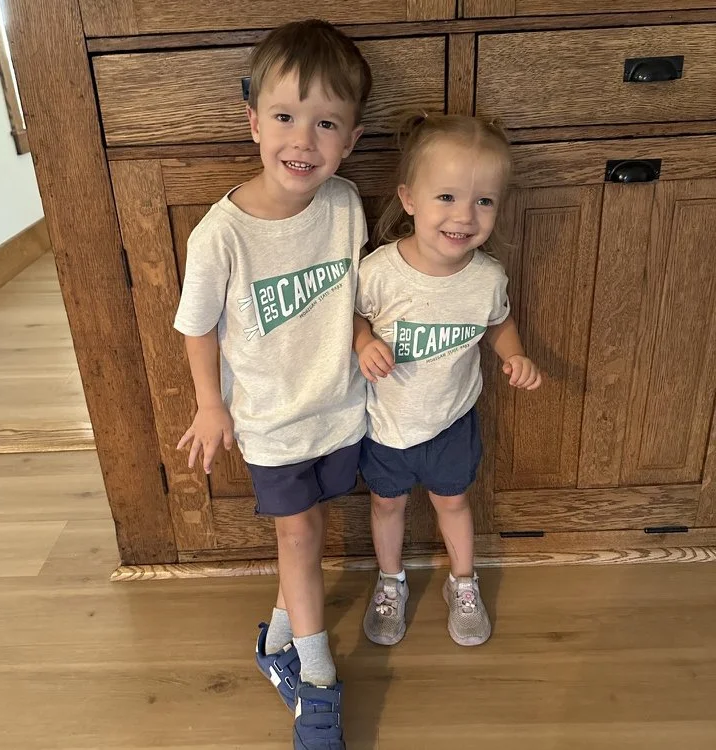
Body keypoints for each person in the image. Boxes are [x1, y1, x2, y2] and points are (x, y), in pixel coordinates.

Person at [174, 20, 372, 750]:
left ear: (350, 139)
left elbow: (355, 298)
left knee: (311, 533)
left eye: (326, 123)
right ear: (253, 121)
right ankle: (316, 681)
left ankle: (277, 643)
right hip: (271, 423)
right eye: (285, 117)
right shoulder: (220, 235)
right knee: (299, 534)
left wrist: (368, 344)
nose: (303, 140)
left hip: (341, 413)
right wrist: (209, 403)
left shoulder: (347, 204)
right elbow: (195, 325)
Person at [353, 114, 542, 649]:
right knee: (386, 505)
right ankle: (391, 582)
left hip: (453, 422)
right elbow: (353, 316)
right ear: (409, 198)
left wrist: (515, 353)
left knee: (454, 504)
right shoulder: (380, 271)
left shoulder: (487, 277)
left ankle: (463, 583)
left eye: (483, 201)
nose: (465, 216)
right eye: (447, 198)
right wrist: (364, 342)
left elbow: (498, 320)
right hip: (386, 425)